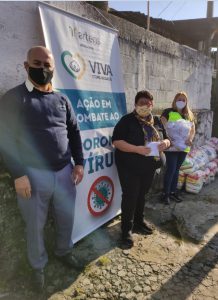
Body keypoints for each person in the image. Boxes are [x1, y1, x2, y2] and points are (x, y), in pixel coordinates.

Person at [0, 46, 84, 290]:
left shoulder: (62, 99)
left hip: (64, 172)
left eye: (47, 65)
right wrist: (18, 175)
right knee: (34, 225)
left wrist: (79, 162)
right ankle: (37, 267)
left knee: (66, 218)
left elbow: (74, 132)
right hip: (32, 175)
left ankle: (64, 251)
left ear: (53, 68)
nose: (42, 69)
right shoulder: (14, 98)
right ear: (26, 67)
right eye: (37, 64)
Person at [112, 90, 170, 248]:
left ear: (152, 105)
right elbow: (116, 142)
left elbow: (166, 138)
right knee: (130, 196)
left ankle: (138, 222)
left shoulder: (156, 120)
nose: (145, 106)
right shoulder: (127, 121)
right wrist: (137, 149)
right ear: (136, 104)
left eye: (148, 103)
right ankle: (126, 231)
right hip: (129, 166)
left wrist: (165, 143)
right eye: (142, 103)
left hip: (149, 166)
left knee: (142, 194)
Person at [160, 91, 195, 204]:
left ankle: (173, 192)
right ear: (175, 100)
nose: (181, 102)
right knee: (171, 169)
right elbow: (164, 125)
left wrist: (190, 139)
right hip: (172, 146)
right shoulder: (168, 112)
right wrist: (170, 138)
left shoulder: (188, 114)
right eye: (179, 99)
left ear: (186, 102)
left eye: (183, 100)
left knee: (176, 170)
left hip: (184, 147)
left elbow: (192, 129)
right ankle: (165, 194)